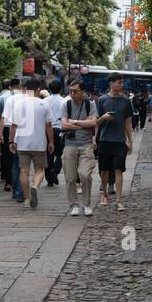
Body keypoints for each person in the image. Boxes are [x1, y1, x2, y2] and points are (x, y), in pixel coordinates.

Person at [9, 75, 54, 209]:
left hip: (22, 143)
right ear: (38, 89)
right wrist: (51, 142)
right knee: (40, 170)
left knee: (24, 171)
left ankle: (27, 199)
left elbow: (13, 125)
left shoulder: (18, 104)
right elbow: (49, 126)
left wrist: (11, 141)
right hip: (39, 143)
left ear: (25, 89)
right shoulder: (44, 103)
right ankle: (35, 186)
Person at [60, 79, 101, 216]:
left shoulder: (91, 104)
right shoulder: (66, 105)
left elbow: (94, 123)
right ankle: (74, 205)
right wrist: (85, 123)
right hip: (70, 145)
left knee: (85, 175)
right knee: (70, 177)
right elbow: (64, 125)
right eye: (70, 91)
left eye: (75, 91)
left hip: (86, 145)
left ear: (83, 92)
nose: (72, 93)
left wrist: (75, 121)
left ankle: (86, 204)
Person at [95, 73, 134, 212]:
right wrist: (103, 119)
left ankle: (118, 200)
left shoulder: (126, 101)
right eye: (119, 82)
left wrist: (130, 140)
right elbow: (96, 121)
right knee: (104, 170)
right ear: (111, 83)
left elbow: (128, 121)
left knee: (119, 169)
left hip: (119, 141)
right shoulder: (101, 100)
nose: (121, 85)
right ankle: (105, 194)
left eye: (122, 82)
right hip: (104, 140)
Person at [44, 79, 66, 187]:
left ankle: (49, 178)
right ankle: (55, 171)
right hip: (60, 129)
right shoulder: (64, 101)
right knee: (60, 154)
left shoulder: (45, 101)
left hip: (48, 129)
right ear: (60, 89)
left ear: (49, 89)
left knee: (48, 154)